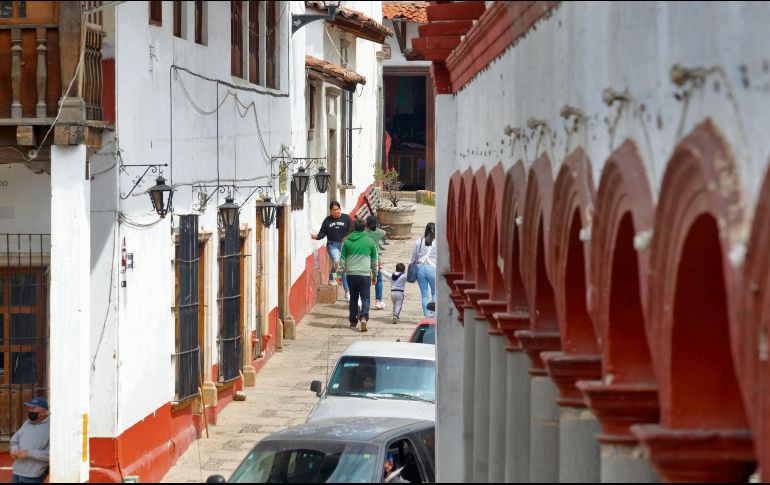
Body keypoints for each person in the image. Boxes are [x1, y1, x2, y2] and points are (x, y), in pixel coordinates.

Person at [337, 218, 378, 332]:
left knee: (354, 297)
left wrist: (339, 275)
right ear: (364, 228)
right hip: (365, 274)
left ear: (354, 228)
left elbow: (342, 260)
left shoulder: (347, 241)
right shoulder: (370, 241)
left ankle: (353, 321)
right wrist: (375, 276)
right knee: (365, 297)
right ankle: (364, 317)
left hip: (351, 274)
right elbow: (374, 262)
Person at [311, 201, 353, 300]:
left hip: (344, 245)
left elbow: (352, 229)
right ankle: (341, 285)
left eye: (337, 209)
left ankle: (345, 290)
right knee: (337, 261)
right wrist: (316, 237)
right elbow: (322, 233)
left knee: (343, 267)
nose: (336, 211)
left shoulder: (346, 218)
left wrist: (347, 237)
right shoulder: (327, 220)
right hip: (332, 245)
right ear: (330, 211)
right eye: (334, 210)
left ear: (340, 209)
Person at [10, 397, 49, 484]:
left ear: (43, 412)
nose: (30, 411)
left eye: (33, 408)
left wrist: (29, 454)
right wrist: (14, 450)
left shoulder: (51, 426)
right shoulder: (27, 423)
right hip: (17, 472)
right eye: (29, 408)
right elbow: (14, 440)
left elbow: (51, 454)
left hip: (33, 476)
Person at [411, 223, 437, 318]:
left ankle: (426, 315)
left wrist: (412, 265)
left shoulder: (419, 241)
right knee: (435, 293)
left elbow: (414, 256)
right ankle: (434, 315)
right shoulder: (438, 242)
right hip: (433, 268)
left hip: (420, 268)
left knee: (424, 295)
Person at [365, 215, 387, 310]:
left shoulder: (363, 233)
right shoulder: (379, 233)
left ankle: (362, 300)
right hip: (375, 259)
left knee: (365, 280)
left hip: (364, 259)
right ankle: (378, 301)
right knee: (378, 280)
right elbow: (385, 232)